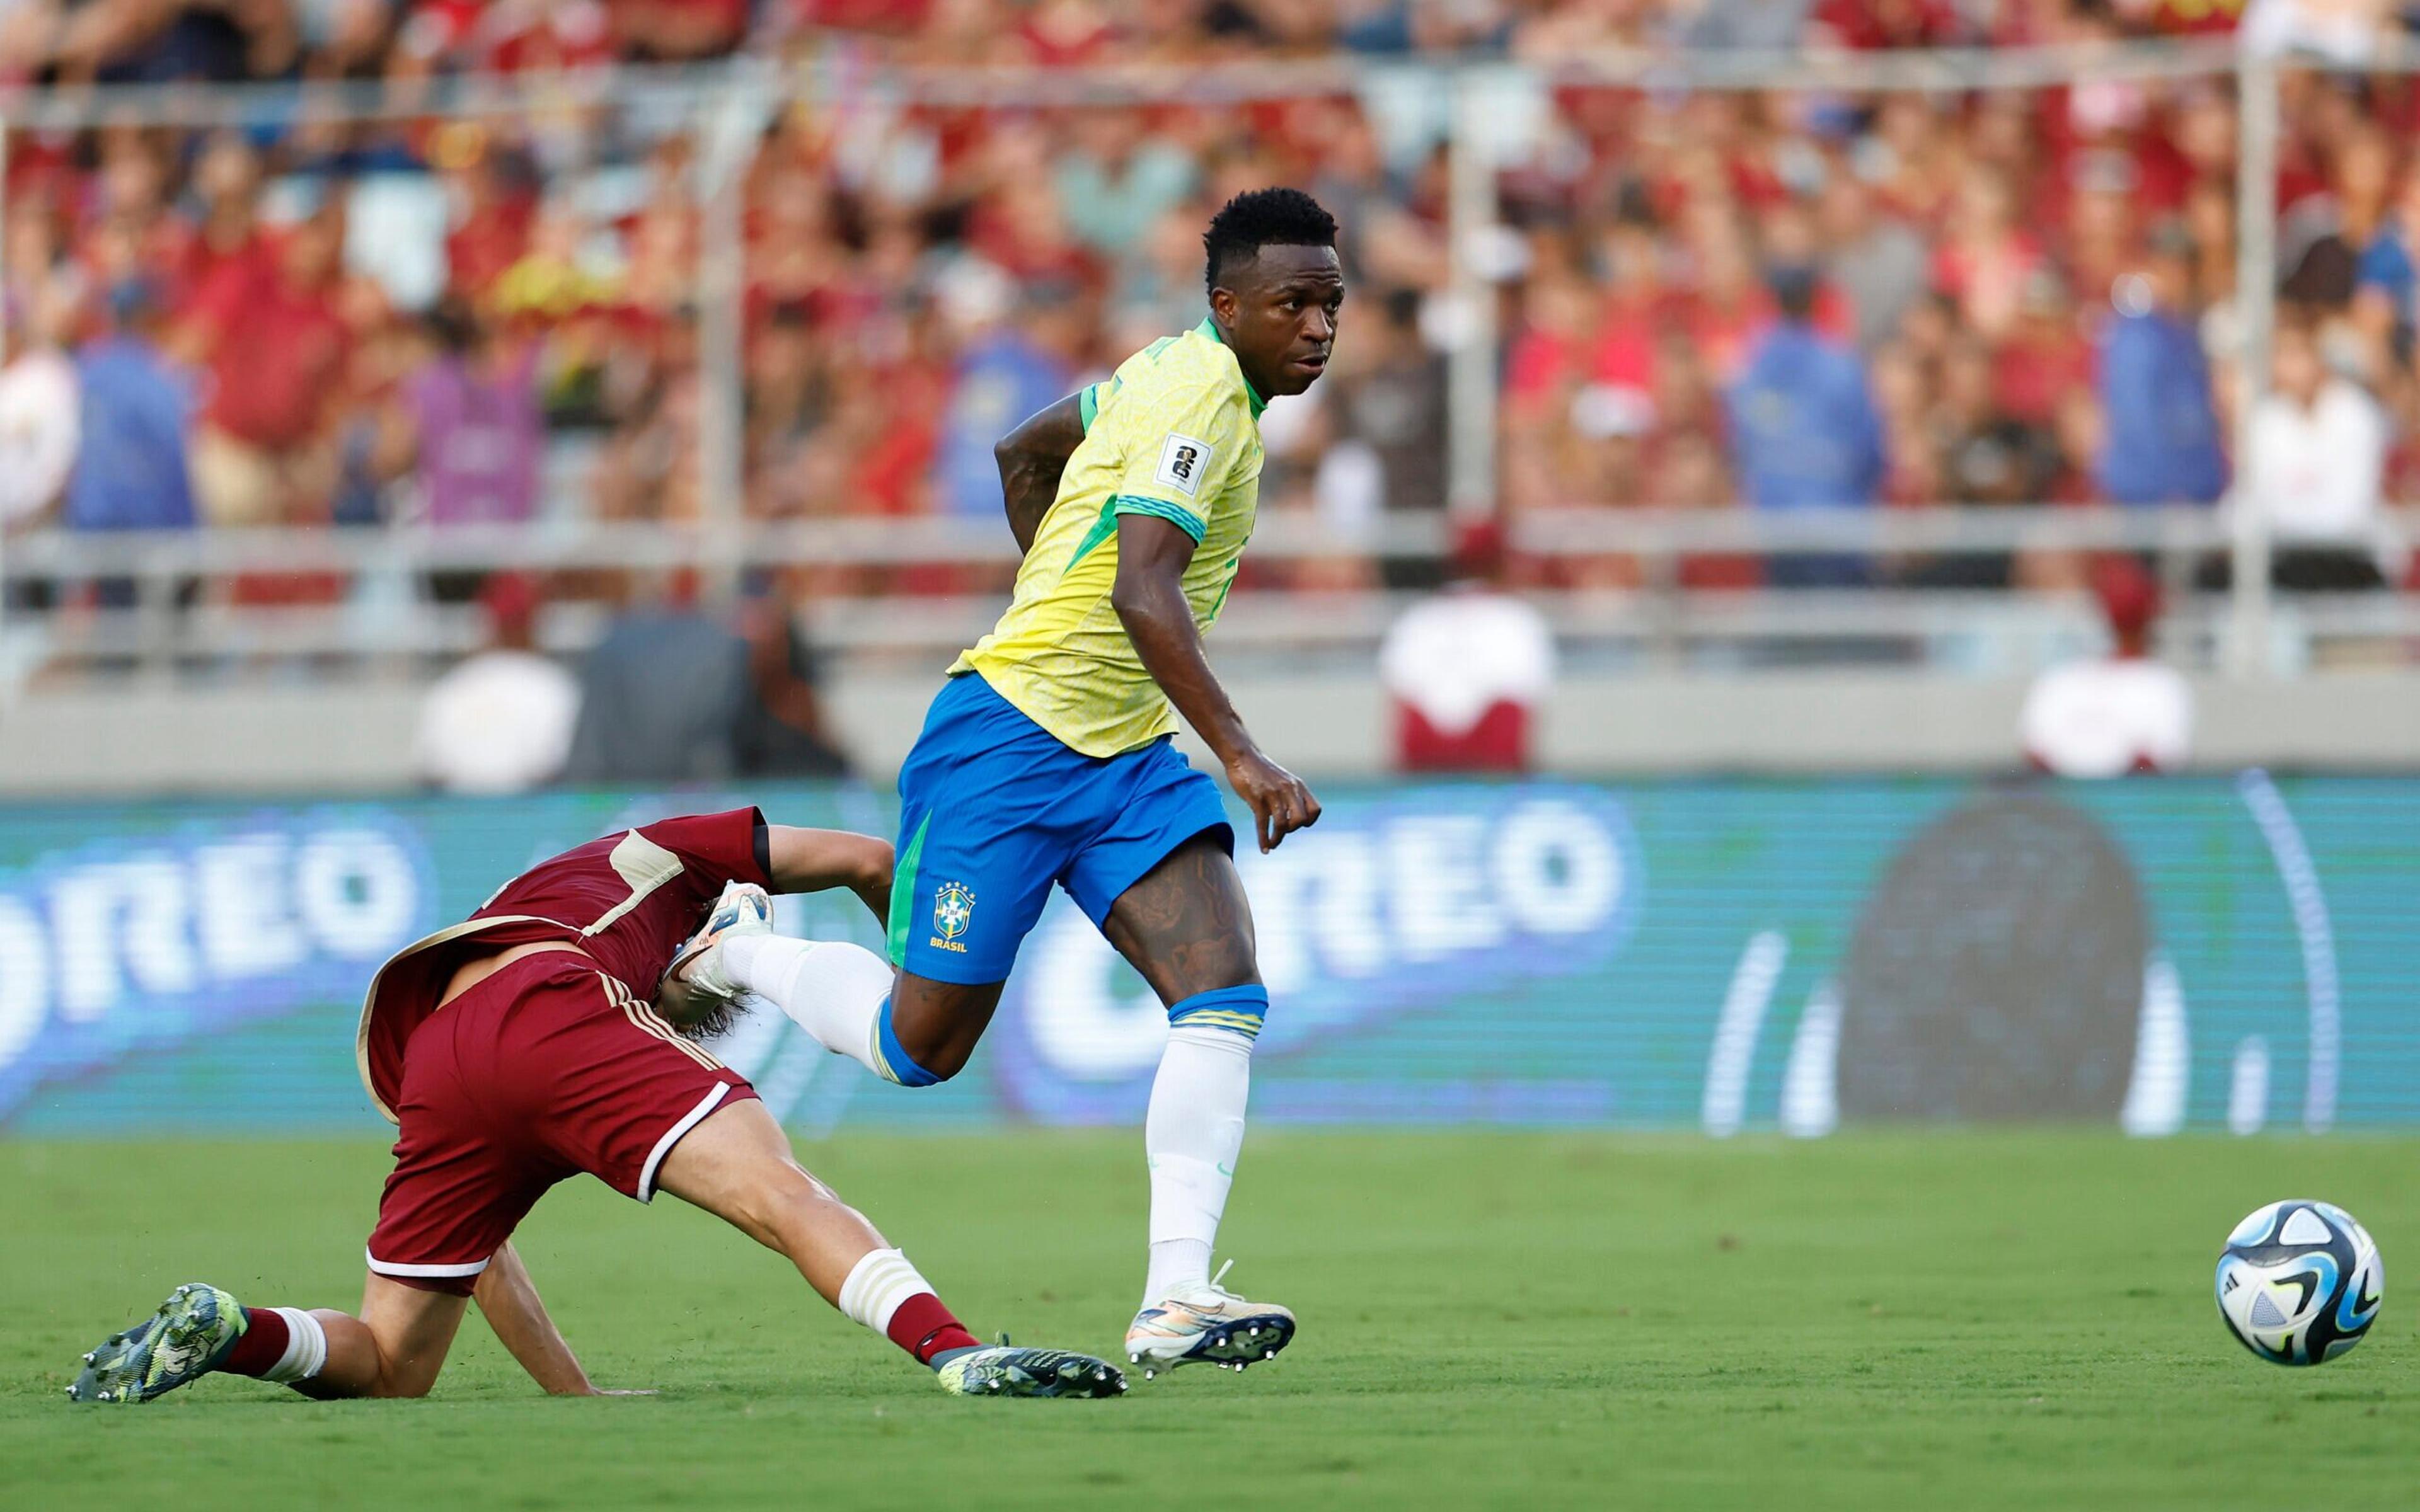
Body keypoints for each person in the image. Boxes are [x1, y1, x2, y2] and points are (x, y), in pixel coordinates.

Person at [681, 188, 1341, 1380]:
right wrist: (1239, 751)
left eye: (1331, 303)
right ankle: (737, 946)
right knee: (915, 1047)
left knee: (1223, 993)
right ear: (1227, 305)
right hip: (1008, 744)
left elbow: (1023, 449)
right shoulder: (1201, 402)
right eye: (1293, 303)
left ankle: (1176, 1298)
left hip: (1124, 752)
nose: (1319, 327)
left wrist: (1054, 580)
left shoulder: (1162, 374)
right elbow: (1146, 593)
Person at [67, 808, 1123, 1404]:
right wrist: (912, 991)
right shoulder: (679, 853)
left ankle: (236, 1329)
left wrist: (573, 1400)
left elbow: (484, 1262)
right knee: (781, 1193)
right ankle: (955, 1352)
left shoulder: (523, 903)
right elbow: (867, 858)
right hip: (553, 1002)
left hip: (441, 1055)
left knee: (392, 1366)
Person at [1724, 262, 1886, 587]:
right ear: (1813, 300)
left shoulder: (1748, 367)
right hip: (1836, 534)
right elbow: (1873, 457)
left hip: (1774, 537)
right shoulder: (1841, 366)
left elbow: (1735, 453)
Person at [2020, 559, 2192, 779]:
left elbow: (2155, 765)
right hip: (2065, 808)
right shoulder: (2061, 680)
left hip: (2126, 807)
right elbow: (2036, 757)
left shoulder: (2164, 685)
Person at [411, 573, 580, 794]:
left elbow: (428, 769)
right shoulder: (554, 685)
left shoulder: (453, 685)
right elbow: (559, 766)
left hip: (458, 814)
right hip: (531, 816)